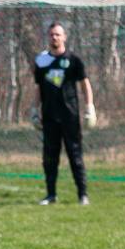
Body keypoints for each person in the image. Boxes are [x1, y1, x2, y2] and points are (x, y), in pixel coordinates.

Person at [31, 22, 96, 206]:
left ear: (64, 37)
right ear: (48, 37)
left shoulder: (73, 60)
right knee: (50, 157)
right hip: (50, 117)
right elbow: (38, 88)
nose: (54, 38)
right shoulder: (42, 62)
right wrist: (35, 110)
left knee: (75, 156)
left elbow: (85, 84)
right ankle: (51, 195)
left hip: (70, 116)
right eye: (51, 35)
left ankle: (82, 195)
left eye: (58, 34)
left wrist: (89, 107)